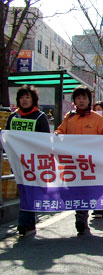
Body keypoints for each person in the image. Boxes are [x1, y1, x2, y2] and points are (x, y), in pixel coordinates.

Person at [55, 86, 103, 235]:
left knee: (91, 190)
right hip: (73, 163)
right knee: (76, 190)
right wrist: (56, 134)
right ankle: (81, 217)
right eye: (78, 98)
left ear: (89, 100)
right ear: (74, 100)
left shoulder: (96, 118)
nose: (81, 101)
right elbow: (61, 130)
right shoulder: (69, 117)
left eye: (84, 98)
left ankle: (82, 216)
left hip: (91, 164)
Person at [5, 85, 50, 236]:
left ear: (33, 100)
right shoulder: (13, 117)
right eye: (22, 98)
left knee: (28, 191)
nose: (24, 100)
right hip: (16, 161)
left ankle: (24, 223)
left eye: (27, 97)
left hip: (33, 162)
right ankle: (29, 223)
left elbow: (45, 141)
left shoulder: (40, 117)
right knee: (24, 191)